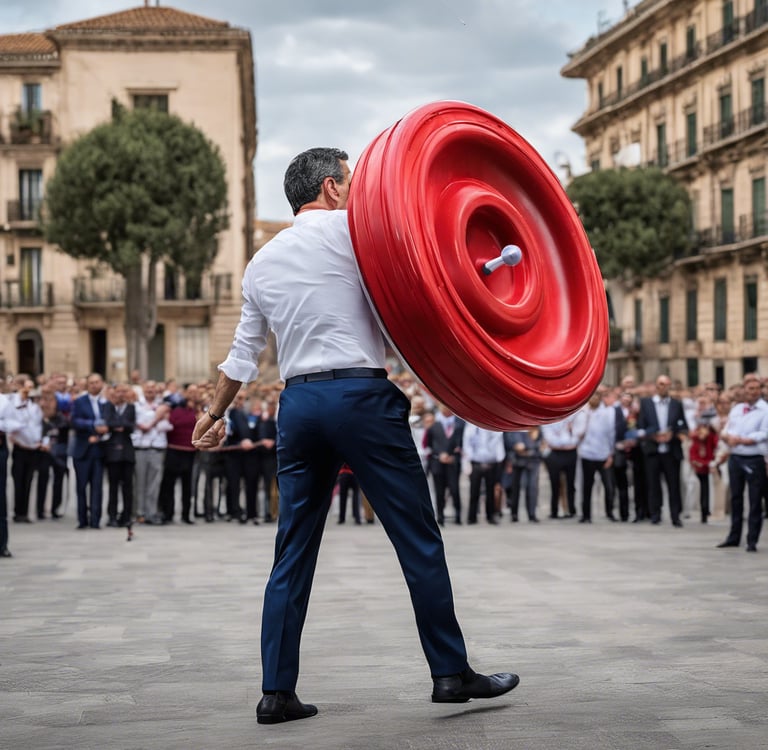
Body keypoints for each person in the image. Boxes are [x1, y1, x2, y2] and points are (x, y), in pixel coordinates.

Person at [192, 147, 518, 724]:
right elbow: (437, 276)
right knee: (416, 538)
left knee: (291, 550)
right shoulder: (360, 235)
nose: (357, 188)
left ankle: (276, 691)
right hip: (361, 397)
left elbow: (243, 355)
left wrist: (214, 414)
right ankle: (450, 673)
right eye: (350, 178)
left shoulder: (261, 263)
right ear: (332, 187)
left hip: (298, 405)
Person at [717, 374, 768, 552]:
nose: (753, 392)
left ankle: (752, 539)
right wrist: (727, 436)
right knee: (736, 498)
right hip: (736, 457)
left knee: (754, 500)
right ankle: (734, 536)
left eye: (756, 389)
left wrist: (742, 440)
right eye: (750, 389)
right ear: (744, 390)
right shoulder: (737, 408)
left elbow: (763, 433)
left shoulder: (765, 409)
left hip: (753, 457)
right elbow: (728, 428)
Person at [637, 374, 689, 527]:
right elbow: (641, 426)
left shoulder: (676, 404)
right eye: (660, 384)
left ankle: (675, 515)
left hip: (671, 450)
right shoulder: (646, 403)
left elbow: (683, 426)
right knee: (653, 484)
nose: (663, 387)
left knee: (674, 484)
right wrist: (653, 435)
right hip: (653, 449)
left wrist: (672, 434)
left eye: (666, 384)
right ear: (656, 385)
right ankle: (655, 514)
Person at [71, 373, 108, 529]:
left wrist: (102, 432)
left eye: (96, 382)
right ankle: (82, 519)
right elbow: (75, 420)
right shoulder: (80, 401)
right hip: (83, 449)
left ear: (102, 383)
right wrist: (93, 426)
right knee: (81, 486)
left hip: (99, 449)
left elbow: (110, 420)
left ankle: (95, 519)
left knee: (97, 486)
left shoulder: (106, 402)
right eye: (91, 383)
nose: (94, 385)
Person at [462, 424, 505, 525]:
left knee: (490, 491)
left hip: (491, 462)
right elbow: (467, 444)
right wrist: (468, 461)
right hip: (476, 462)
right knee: (474, 491)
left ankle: (491, 516)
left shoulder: (493, 426)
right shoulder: (471, 427)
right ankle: (472, 517)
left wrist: (499, 460)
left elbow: (499, 443)